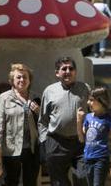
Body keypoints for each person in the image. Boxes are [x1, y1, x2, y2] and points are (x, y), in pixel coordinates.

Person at [39, 57, 91, 186]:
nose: (68, 71)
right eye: (64, 69)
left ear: (75, 72)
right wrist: (45, 141)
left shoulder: (85, 88)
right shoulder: (49, 91)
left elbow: (93, 112)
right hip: (56, 142)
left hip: (80, 142)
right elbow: (43, 120)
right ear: (57, 73)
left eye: (71, 68)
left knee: (83, 177)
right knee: (58, 182)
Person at [0, 64, 41, 186]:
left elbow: (44, 123)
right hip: (11, 149)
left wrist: (38, 111)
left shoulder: (36, 97)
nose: (22, 80)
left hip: (31, 149)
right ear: (12, 81)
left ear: (29, 80)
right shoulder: (4, 98)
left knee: (30, 182)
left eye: (25, 77)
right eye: (18, 77)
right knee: (10, 182)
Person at [76, 87, 111, 186]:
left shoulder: (108, 119)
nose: (88, 102)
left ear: (101, 101)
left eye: (91, 100)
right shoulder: (88, 117)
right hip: (87, 158)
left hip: (101, 159)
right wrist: (79, 121)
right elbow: (81, 137)